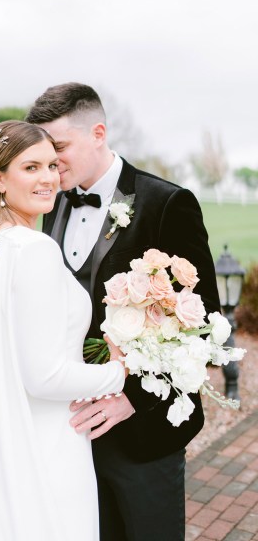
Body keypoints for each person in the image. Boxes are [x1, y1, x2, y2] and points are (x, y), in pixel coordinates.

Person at [26, 83, 221, 541]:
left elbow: (204, 325)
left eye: (59, 148)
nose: (52, 164)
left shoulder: (166, 204)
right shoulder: (52, 207)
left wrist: (134, 399)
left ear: (98, 132)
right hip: (72, 435)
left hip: (143, 436)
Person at [0, 120, 126, 541]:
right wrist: (119, 371)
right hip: (49, 453)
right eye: (31, 168)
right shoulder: (35, 250)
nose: (48, 178)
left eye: (51, 165)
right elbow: (46, 376)